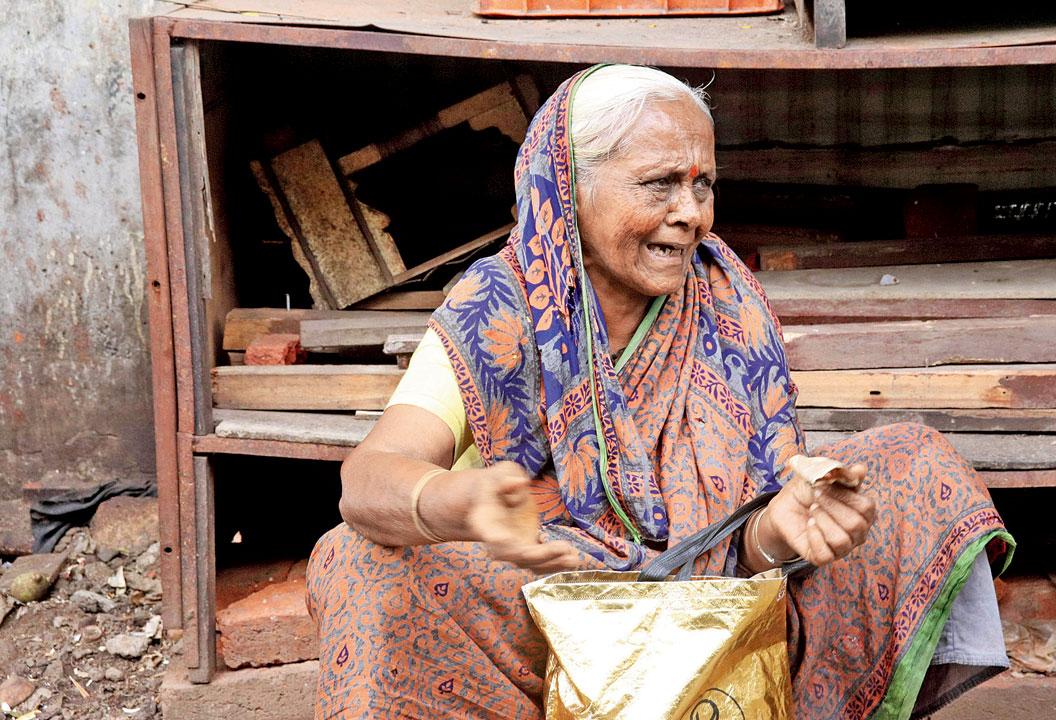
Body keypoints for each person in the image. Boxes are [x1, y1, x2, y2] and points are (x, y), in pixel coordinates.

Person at [307, 64, 1013, 720]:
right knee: (358, 554)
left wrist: (782, 530)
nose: (691, 214)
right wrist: (459, 503)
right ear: (569, 185)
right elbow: (368, 479)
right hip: (553, 600)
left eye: (703, 185)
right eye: (660, 183)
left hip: (721, 615)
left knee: (916, 463)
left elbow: (743, 549)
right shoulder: (502, 303)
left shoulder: (724, 298)